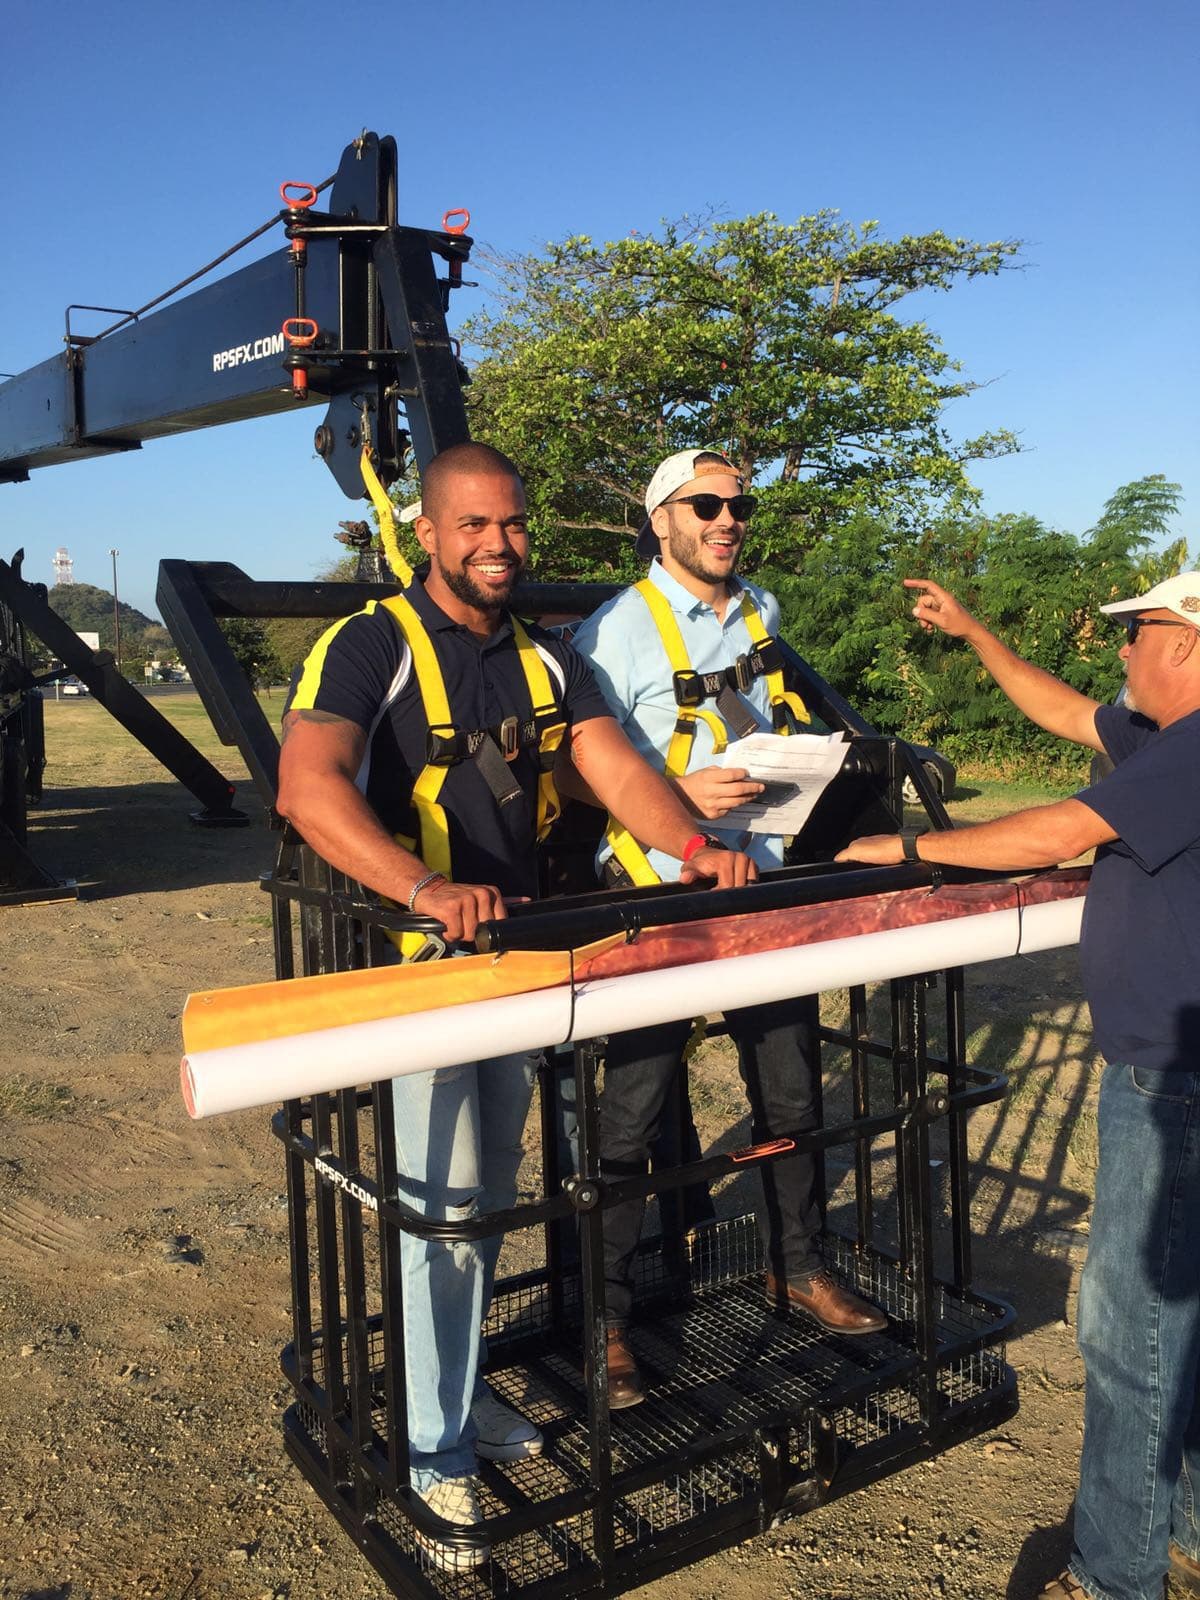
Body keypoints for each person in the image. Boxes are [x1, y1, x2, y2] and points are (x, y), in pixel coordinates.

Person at [275, 441, 756, 1570]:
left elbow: (615, 766)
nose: (499, 545)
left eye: (514, 524)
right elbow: (306, 785)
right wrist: (422, 888)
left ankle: (451, 1397)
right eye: (474, 526)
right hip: (422, 974)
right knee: (439, 1212)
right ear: (429, 533)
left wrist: (690, 846)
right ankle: (433, 1452)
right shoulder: (370, 646)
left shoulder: (544, 658)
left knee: (485, 1200)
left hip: (514, 969)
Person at [836, 573, 1200, 1600]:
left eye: (1134, 632)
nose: (1121, 650)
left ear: (1182, 640)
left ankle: (1115, 1575)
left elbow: (1051, 834)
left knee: (1132, 1334)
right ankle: (1182, 1531)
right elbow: (1064, 710)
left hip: (1173, 1084)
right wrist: (974, 631)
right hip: (1171, 1073)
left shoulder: (1195, 748)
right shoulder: (1166, 741)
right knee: (1181, 1319)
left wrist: (910, 846)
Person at [570, 448, 888, 1411]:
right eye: (705, 504)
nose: (726, 521)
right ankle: (604, 1318)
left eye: (738, 507)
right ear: (661, 518)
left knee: (791, 1091)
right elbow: (577, 769)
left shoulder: (760, 612)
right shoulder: (612, 632)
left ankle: (799, 1265)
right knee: (631, 1111)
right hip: (660, 893)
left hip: (762, 885)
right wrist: (675, 794)